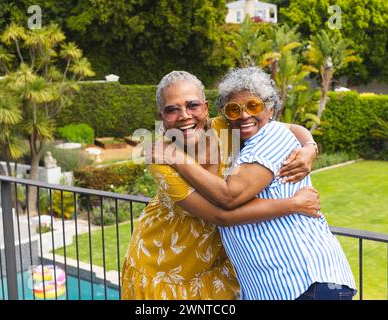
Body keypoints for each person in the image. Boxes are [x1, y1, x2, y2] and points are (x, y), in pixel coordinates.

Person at [121, 70, 320, 300]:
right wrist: (294, 204)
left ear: (205, 108)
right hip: (163, 271)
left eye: (192, 105)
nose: (184, 115)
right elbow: (220, 215)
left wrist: (309, 148)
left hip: (211, 270)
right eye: (172, 109)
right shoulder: (160, 155)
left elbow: (289, 129)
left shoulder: (226, 126)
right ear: (162, 117)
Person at [161, 67, 357, 300]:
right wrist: (310, 146)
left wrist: (175, 157)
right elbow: (295, 130)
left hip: (303, 280)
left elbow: (229, 196)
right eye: (234, 109)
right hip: (276, 285)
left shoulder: (270, 137)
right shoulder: (240, 138)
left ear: (271, 109)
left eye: (253, 106)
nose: (244, 115)